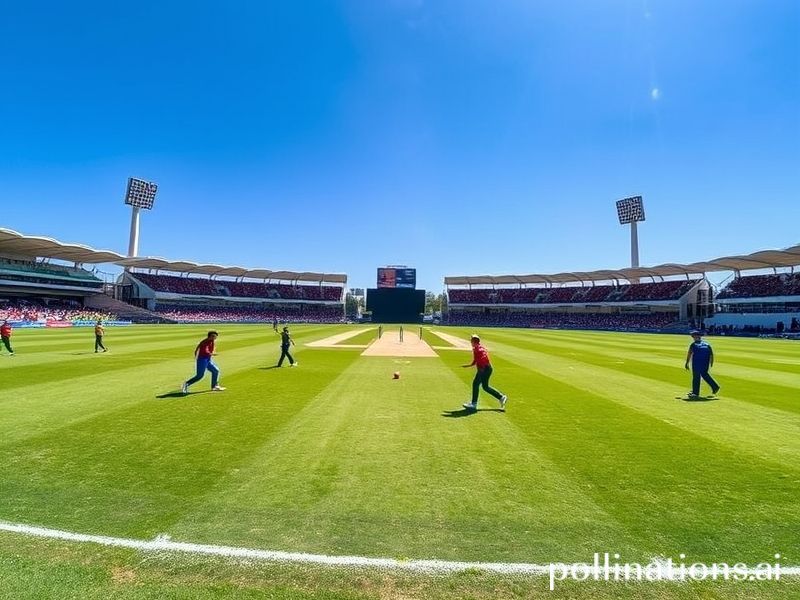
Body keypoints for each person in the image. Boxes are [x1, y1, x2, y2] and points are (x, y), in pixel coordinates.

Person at [462, 334, 507, 411]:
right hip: (487, 369)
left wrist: (481, 370)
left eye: (471, 340)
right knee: (485, 387)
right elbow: (477, 359)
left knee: (475, 384)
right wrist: (470, 365)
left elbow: (483, 358)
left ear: (473, 341)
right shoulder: (478, 348)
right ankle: (501, 397)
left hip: (484, 369)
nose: (470, 341)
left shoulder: (478, 349)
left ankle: (474, 404)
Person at [684, 330, 720, 399]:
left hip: (697, 363)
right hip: (705, 363)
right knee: (705, 375)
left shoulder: (693, 345)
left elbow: (689, 354)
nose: (692, 337)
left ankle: (695, 393)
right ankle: (715, 387)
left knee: (696, 377)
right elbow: (711, 355)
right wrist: (711, 363)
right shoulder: (707, 344)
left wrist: (687, 363)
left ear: (696, 336)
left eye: (693, 336)